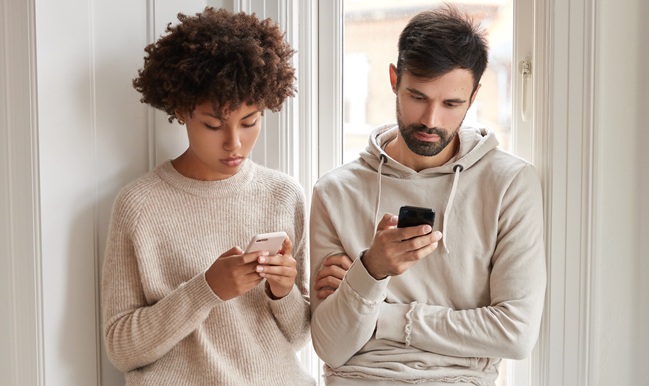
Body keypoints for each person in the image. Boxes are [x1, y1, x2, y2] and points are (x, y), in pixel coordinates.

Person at [309, 5, 547, 385]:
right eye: (418, 97)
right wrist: (373, 268)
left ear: (473, 96)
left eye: (451, 104)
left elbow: (515, 333)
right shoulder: (335, 191)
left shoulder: (510, 183)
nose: (431, 120)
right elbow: (331, 347)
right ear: (393, 80)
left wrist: (380, 315)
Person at [101, 8, 314, 385]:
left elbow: (298, 337)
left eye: (250, 122)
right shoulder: (140, 205)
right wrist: (207, 290)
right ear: (182, 111)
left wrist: (283, 292)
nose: (234, 142)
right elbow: (121, 348)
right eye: (214, 125)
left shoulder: (283, 195)